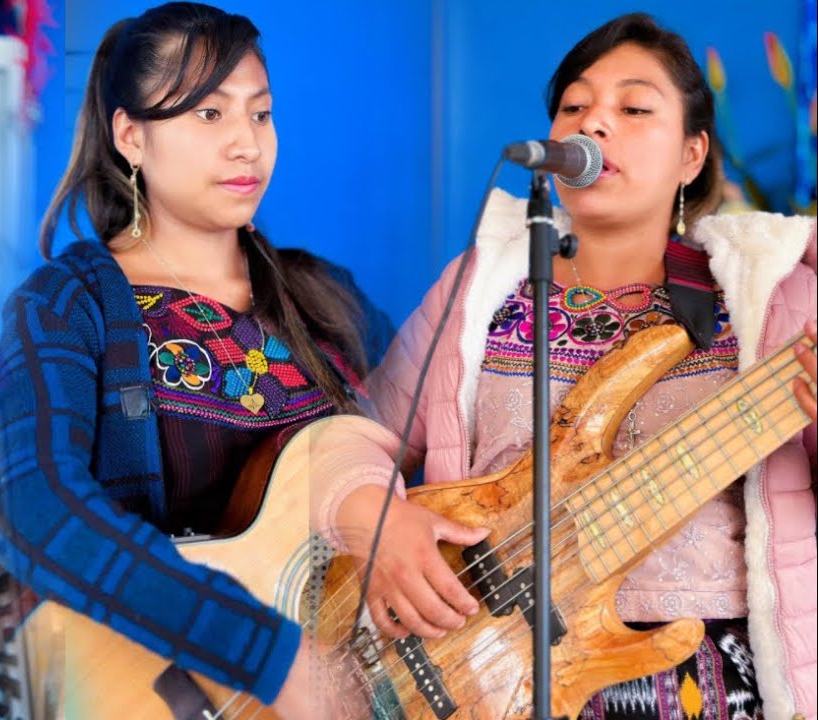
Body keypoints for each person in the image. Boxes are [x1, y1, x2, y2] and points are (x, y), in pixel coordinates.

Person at [317, 13, 817, 719]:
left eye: (634, 109)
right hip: (485, 674)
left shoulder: (772, 301)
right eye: (575, 106)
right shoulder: (480, 291)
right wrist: (375, 520)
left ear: (692, 155)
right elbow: (354, 435)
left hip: (702, 683)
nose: (595, 123)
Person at [0, 3, 393, 716]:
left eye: (260, 114)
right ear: (131, 136)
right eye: (209, 114)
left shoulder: (325, 294)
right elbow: (33, 507)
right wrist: (268, 655)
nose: (247, 144)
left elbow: (428, 442)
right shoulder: (68, 303)